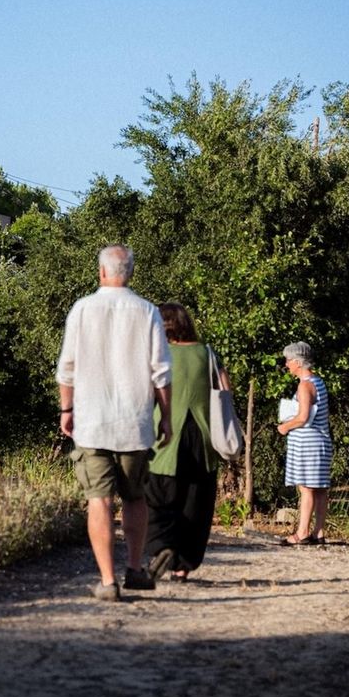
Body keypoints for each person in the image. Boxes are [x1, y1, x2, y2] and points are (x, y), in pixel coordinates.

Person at [56, 245, 172, 601]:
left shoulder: (82, 309)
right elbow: (162, 374)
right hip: (134, 423)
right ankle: (135, 569)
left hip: (92, 422)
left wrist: (67, 409)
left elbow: (68, 367)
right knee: (135, 498)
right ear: (130, 272)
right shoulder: (148, 311)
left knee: (99, 499)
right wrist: (165, 417)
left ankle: (107, 581)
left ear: (102, 272)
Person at [145, 303, 229, 582]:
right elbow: (225, 391)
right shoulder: (208, 354)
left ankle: (162, 546)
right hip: (203, 440)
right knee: (196, 503)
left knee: (158, 497)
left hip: (165, 437)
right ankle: (182, 566)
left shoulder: (160, 354)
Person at [277, 342, 332, 545]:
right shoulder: (318, 382)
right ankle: (318, 531)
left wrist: (285, 427)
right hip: (320, 440)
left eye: (289, 360)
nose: (287, 364)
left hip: (308, 443)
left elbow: (302, 417)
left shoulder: (305, 385)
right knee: (319, 489)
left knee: (306, 488)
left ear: (298, 362)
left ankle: (302, 532)